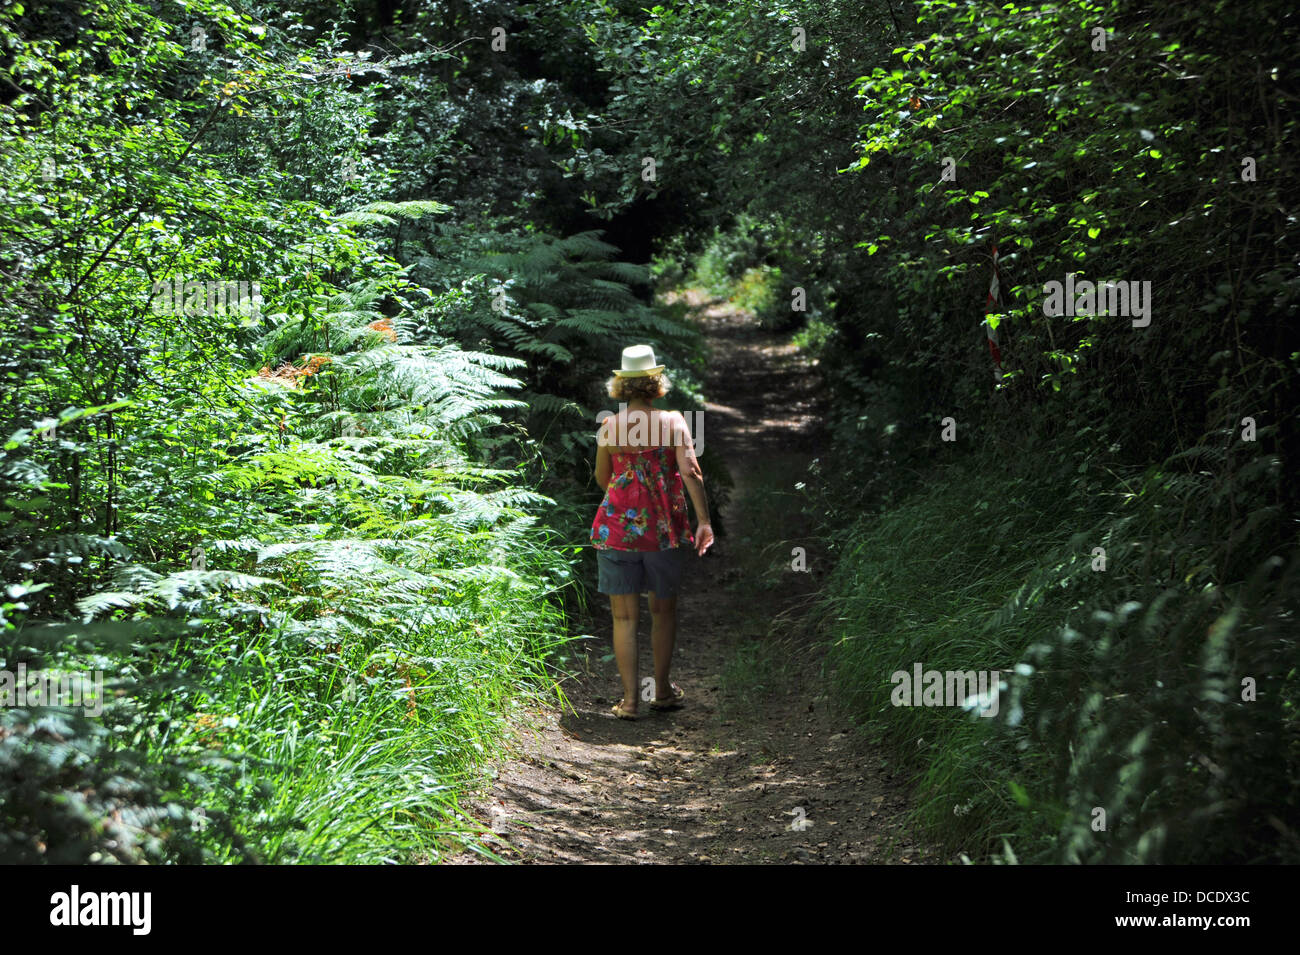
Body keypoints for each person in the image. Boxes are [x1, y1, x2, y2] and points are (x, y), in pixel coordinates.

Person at [591, 345, 713, 720]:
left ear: (621, 385)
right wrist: (704, 521)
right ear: (655, 382)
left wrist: (627, 501)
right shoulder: (674, 421)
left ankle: (629, 702)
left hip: (617, 531)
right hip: (663, 530)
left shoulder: (609, 425)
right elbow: (691, 472)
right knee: (663, 611)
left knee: (624, 618)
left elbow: (601, 477)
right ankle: (661, 691)